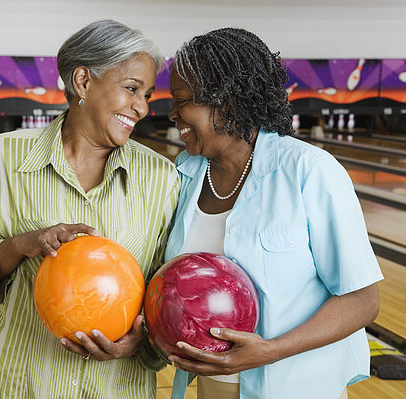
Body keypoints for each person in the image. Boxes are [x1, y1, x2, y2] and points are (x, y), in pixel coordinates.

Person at [0, 19, 180, 398]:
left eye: (148, 95)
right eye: (132, 89)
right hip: (19, 384)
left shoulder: (163, 179)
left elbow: (166, 295)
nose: (141, 108)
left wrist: (141, 342)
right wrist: (20, 245)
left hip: (115, 387)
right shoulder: (1, 159)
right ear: (83, 81)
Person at [163, 28, 383, 399]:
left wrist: (271, 350)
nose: (171, 114)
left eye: (183, 100)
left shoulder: (309, 171)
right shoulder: (183, 174)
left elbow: (362, 301)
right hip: (212, 387)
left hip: (296, 387)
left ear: (228, 101)